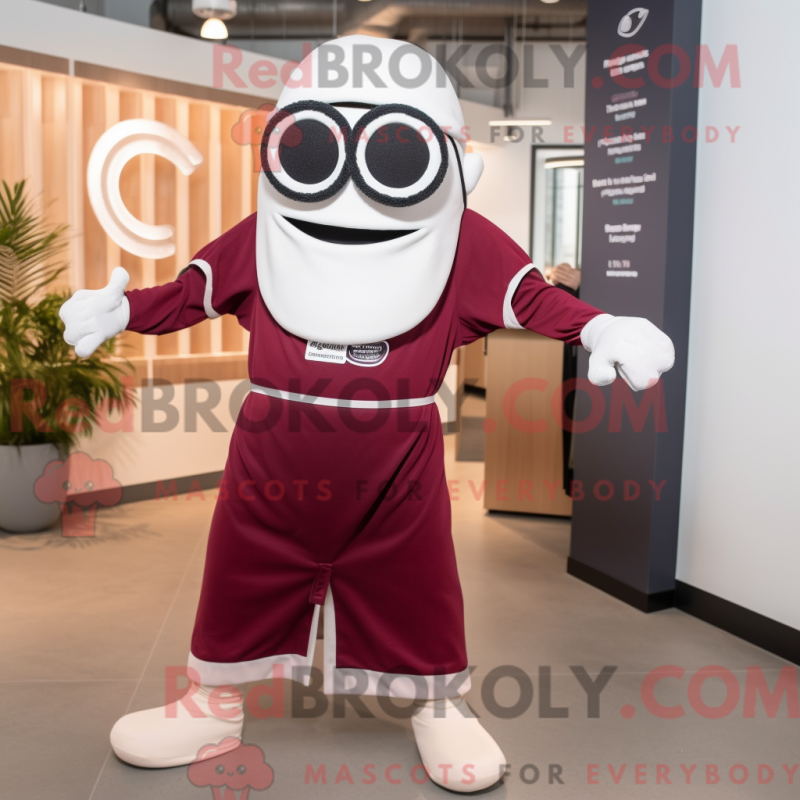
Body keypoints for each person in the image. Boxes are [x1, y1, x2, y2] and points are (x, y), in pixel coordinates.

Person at [59, 36, 674, 794]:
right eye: (315, 147)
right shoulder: (268, 234)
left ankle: (438, 705)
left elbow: (533, 298)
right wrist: (125, 310)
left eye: (393, 153)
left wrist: (600, 327)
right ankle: (211, 704)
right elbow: (193, 292)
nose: (350, 177)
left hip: (397, 456)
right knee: (240, 570)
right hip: (273, 449)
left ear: (447, 160)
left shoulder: (460, 238)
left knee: (415, 578)